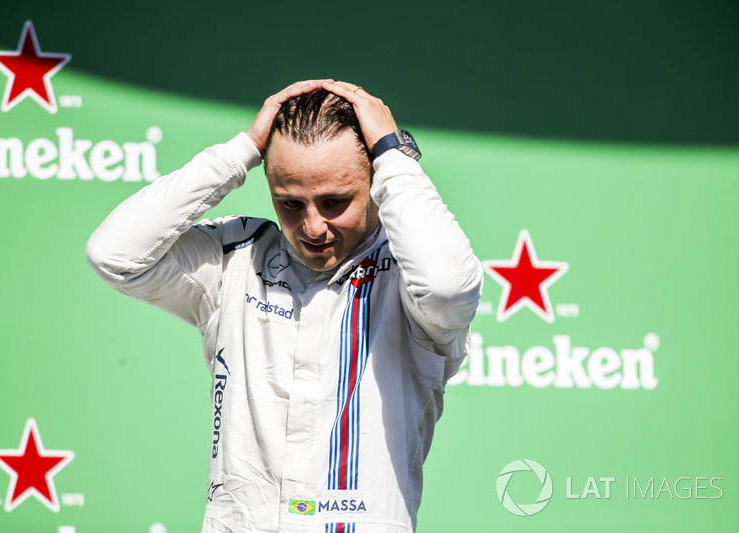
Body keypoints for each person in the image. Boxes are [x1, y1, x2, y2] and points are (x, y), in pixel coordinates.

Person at [86, 79, 483, 533]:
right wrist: (241, 152)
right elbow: (113, 255)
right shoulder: (235, 256)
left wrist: (392, 154)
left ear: (375, 183)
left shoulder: (411, 280)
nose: (313, 226)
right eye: (291, 203)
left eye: (335, 202)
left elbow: (449, 289)